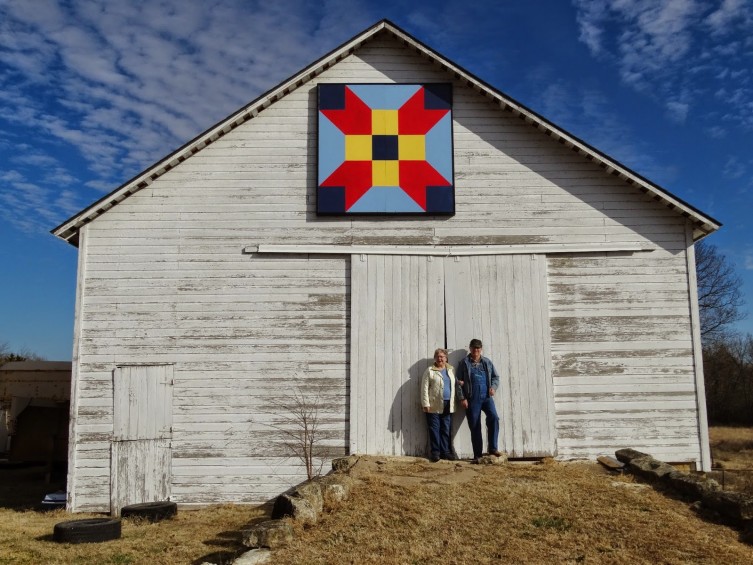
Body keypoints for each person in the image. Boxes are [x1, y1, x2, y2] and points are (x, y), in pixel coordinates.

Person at [456, 338, 502, 462]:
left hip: (486, 397)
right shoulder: (464, 363)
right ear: (470, 349)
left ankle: (493, 448)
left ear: (481, 349)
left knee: (494, 418)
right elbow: (458, 382)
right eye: (474, 348)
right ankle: (478, 455)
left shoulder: (487, 362)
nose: (476, 350)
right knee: (475, 425)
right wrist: (462, 398)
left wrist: (493, 387)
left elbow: (495, 377)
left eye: (478, 348)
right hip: (472, 398)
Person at [420, 348, 457, 462]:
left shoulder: (451, 370)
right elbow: (424, 388)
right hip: (434, 404)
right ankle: (435, 452)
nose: (440, 359)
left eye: (442, 357)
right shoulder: (430, 370)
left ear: (446, 358)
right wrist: (425, 403)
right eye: (438, 356)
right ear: (435, 358)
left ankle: (445, 452)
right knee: (434, 428)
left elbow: (455, 384)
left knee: (446, 428)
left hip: (448, 403)